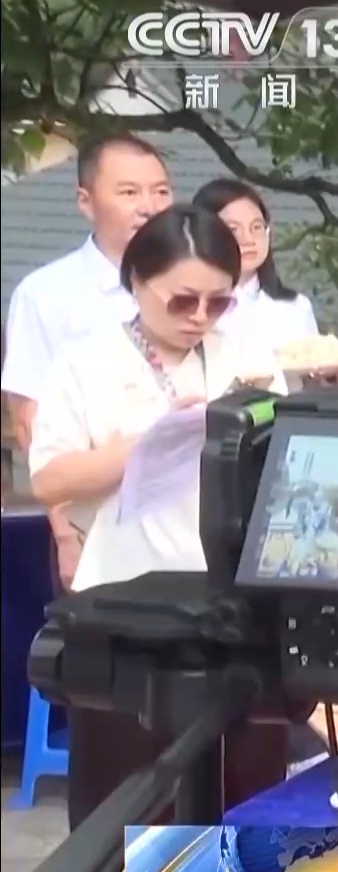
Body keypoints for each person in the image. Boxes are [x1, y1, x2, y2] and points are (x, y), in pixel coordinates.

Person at [27, 203, 291, 830]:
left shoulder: (245, 356)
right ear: (138, 282)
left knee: (249, 800)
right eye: (182, 301)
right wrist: (150, 441)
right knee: (134, 804)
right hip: (129, 610)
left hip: (232, 605)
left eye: (219, 302)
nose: (200, 317)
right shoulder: (87, 363)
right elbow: (50, 478)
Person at [3, 133, 174, 587]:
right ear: (85, 201)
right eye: (129, 192)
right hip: (95, 527)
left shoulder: (196, 290)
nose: (149, 207)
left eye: (161, 191)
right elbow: (30, 422)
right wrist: (66, 534)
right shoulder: (46, 294)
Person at [192, 178, 337, 384]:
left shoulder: (295, 307)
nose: (248, 239)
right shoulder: (189, 308)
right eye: (233, 229)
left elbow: (313, 382)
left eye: (257, 227)